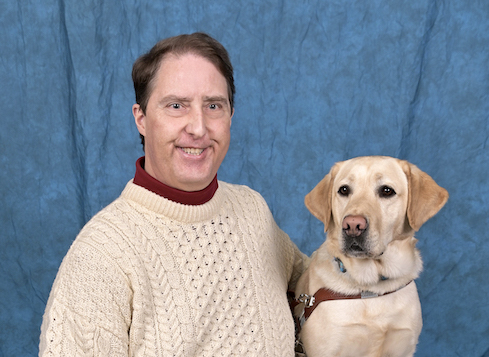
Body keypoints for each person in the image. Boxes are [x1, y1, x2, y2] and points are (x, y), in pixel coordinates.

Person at [39, 32, 308, 356]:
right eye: (176, 105)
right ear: (141, 118)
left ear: (230, 116)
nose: (198, 127)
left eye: (213, 106)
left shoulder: (252, 210)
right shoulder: (100, 257)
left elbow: (320, 287)